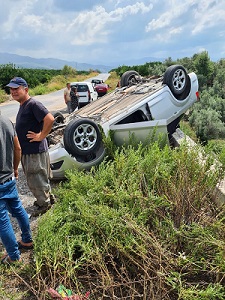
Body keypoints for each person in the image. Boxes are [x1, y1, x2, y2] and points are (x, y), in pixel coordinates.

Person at [6, 77, 55, 217]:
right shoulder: (23, 104)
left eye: (16, 89)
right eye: (11, 89)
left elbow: (50, 119)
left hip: (34, 151)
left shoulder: (33, 104)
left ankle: (44, 205)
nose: (13, 92)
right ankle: (47, 199)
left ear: (25, 89)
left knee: (36, 178)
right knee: (38, 178)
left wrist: (41, 135)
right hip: (29, 151)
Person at [0, 112, 33, 264]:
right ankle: (27, 239)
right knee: (18, 209)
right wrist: (14, 169)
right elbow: (18, 148)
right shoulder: (6, 120)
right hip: (9, 178)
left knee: (3, 221)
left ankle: (14, 256)